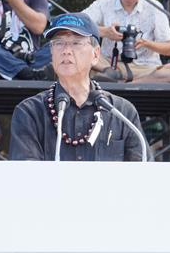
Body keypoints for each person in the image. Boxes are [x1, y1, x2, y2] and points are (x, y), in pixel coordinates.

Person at [10, 12, 149, 161]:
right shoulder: (30, 112)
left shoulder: (122, 113)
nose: (66, 50)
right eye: (58, 43)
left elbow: (142, 175)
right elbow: (26, 177)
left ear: (95, 55)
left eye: (76, 43)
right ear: (51, 52)